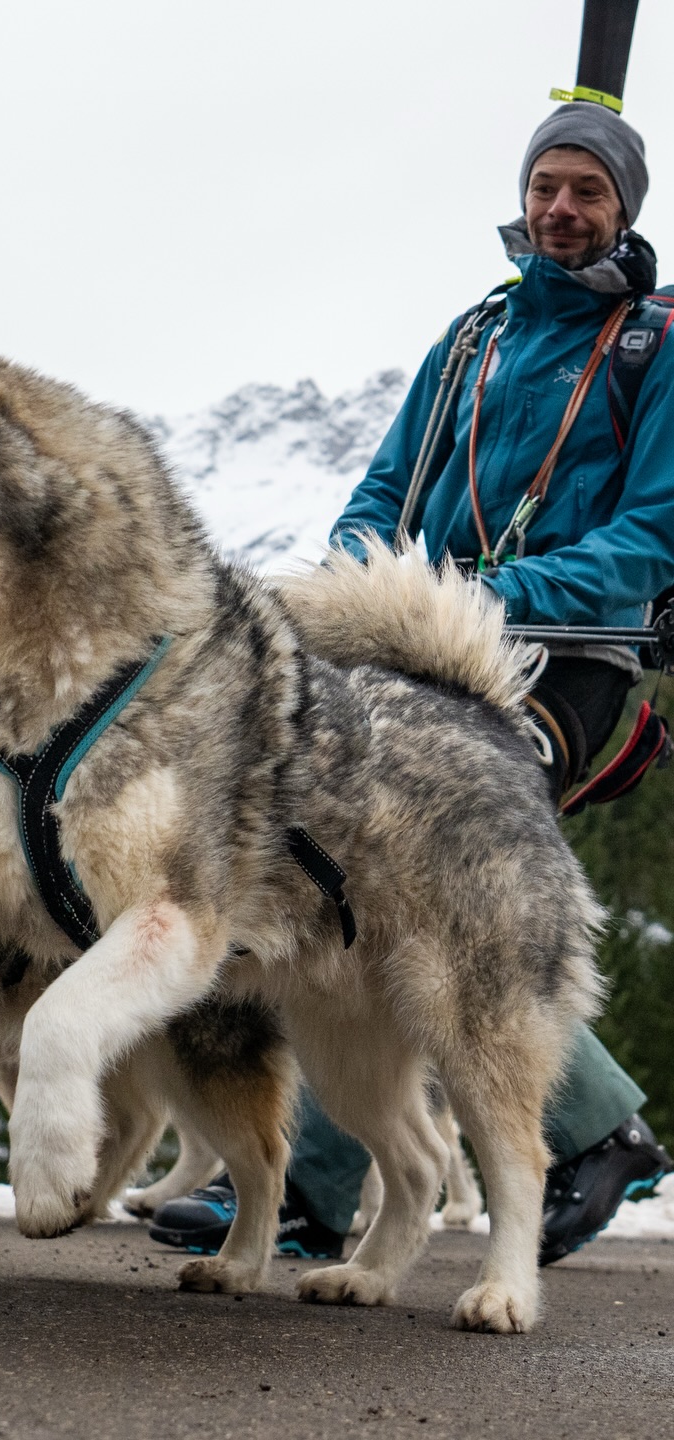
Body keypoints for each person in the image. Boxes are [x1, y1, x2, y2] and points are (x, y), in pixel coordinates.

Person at [150, 99, 672, 1266]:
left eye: (590, 192)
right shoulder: (473, 338)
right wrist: (357, 580)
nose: (563, 210)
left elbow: (656, 531)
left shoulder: (657, 341)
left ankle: (587, 1134)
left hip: (561, 657)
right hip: (407, 653)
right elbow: (382, 494)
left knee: (428, 868)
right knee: (327, 862)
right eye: (549, 187)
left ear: (625, 209)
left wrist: (497, 588)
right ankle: (326, 1185)